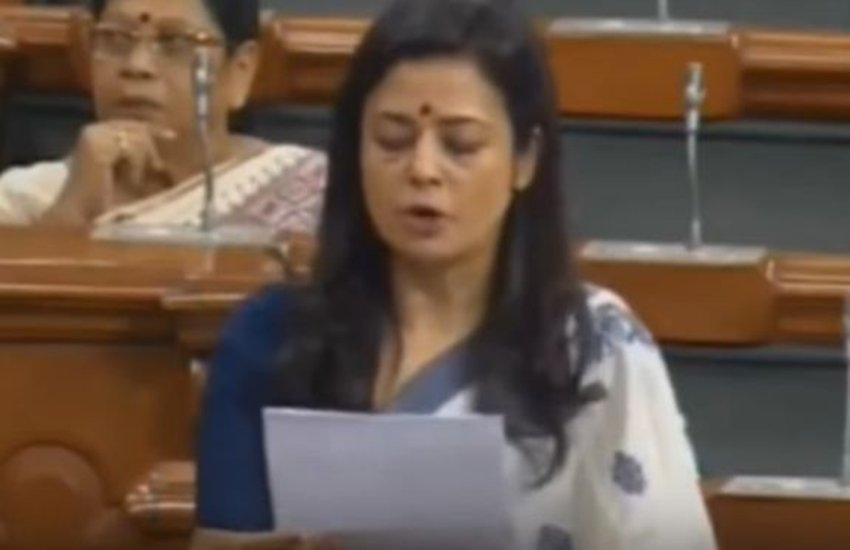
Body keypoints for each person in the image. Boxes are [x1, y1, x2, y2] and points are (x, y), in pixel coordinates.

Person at [193, 0, 717, 548]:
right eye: (392, 140)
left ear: (525, 159)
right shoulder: (272, 338)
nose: (423, 170)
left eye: (460, 145)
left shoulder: (592, 348)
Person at [0, 0, 325, 235]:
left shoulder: (314, 194)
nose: (137, 65)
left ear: (241, 70)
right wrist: (72, 211)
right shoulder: (26, 200)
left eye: (176, 42)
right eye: (115, 39)